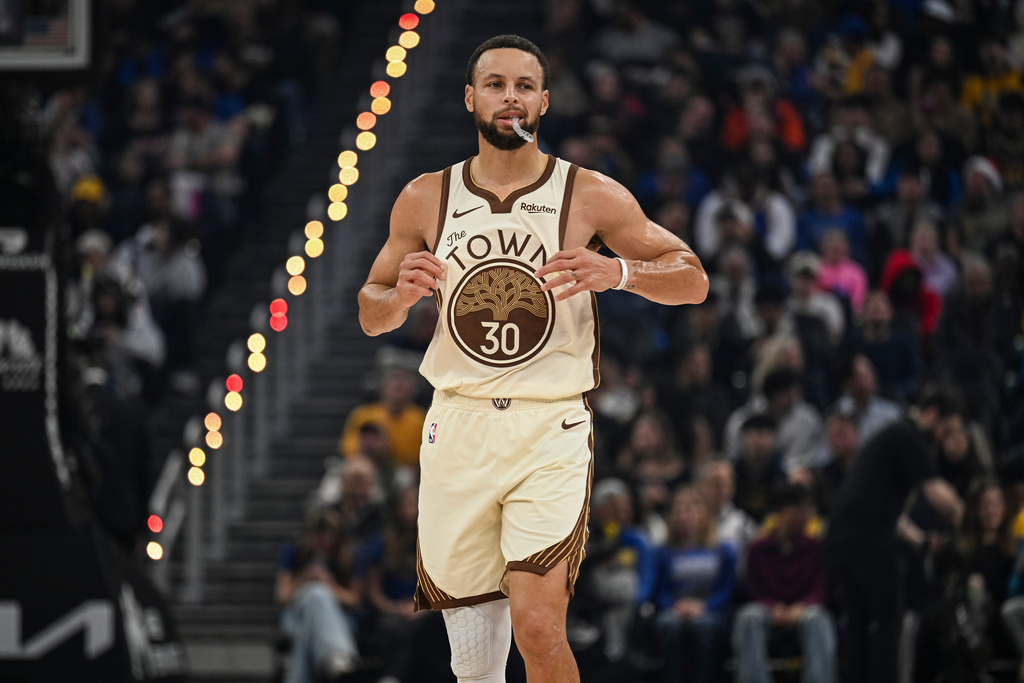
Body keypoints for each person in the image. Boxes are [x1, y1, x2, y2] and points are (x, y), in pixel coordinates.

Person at [356, 34, 708, 683]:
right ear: (470, 98)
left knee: (540, 628)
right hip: (456, 424)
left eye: (524, 85)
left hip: (549, 427)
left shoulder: (590, 193)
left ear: (544, 101)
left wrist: (619, 271)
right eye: (496, 84)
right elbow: (370, 309)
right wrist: (398, 296)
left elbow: (692, 277)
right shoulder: (425, 197)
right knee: (475, 661)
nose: (510, 97)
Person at [824, 384, 966, 683]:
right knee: (889, 619)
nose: (946, 438)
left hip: (844, 537)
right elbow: (934, 491)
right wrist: (963, 517)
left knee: (859, 621)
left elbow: (893, 513)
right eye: (947, 428)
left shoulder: (891, 438)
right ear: (933, 415)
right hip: (869, 540)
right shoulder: (909, 437)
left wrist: (921, 540)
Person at [732, 483, 836, 683]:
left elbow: (821, 588)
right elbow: (754, 590)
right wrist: (773, 608)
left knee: (818, 619)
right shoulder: (758, 549)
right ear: (782, 513)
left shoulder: (815, 548)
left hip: (804, 610)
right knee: (748, 617)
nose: (806, 517)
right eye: (800, 511)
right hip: (769, 610)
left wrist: (802, 607)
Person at [652, 487, 737, 683]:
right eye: (679, 510)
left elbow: (727, 590)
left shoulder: (723, 550)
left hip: (711, 610)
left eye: (690, 510)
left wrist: (705, 607)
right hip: (675, 610)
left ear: (704, 513)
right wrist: (675, 607)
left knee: (704, 627)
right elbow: (660, 591)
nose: (684, 516)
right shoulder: (665, 551)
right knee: (668, 625)